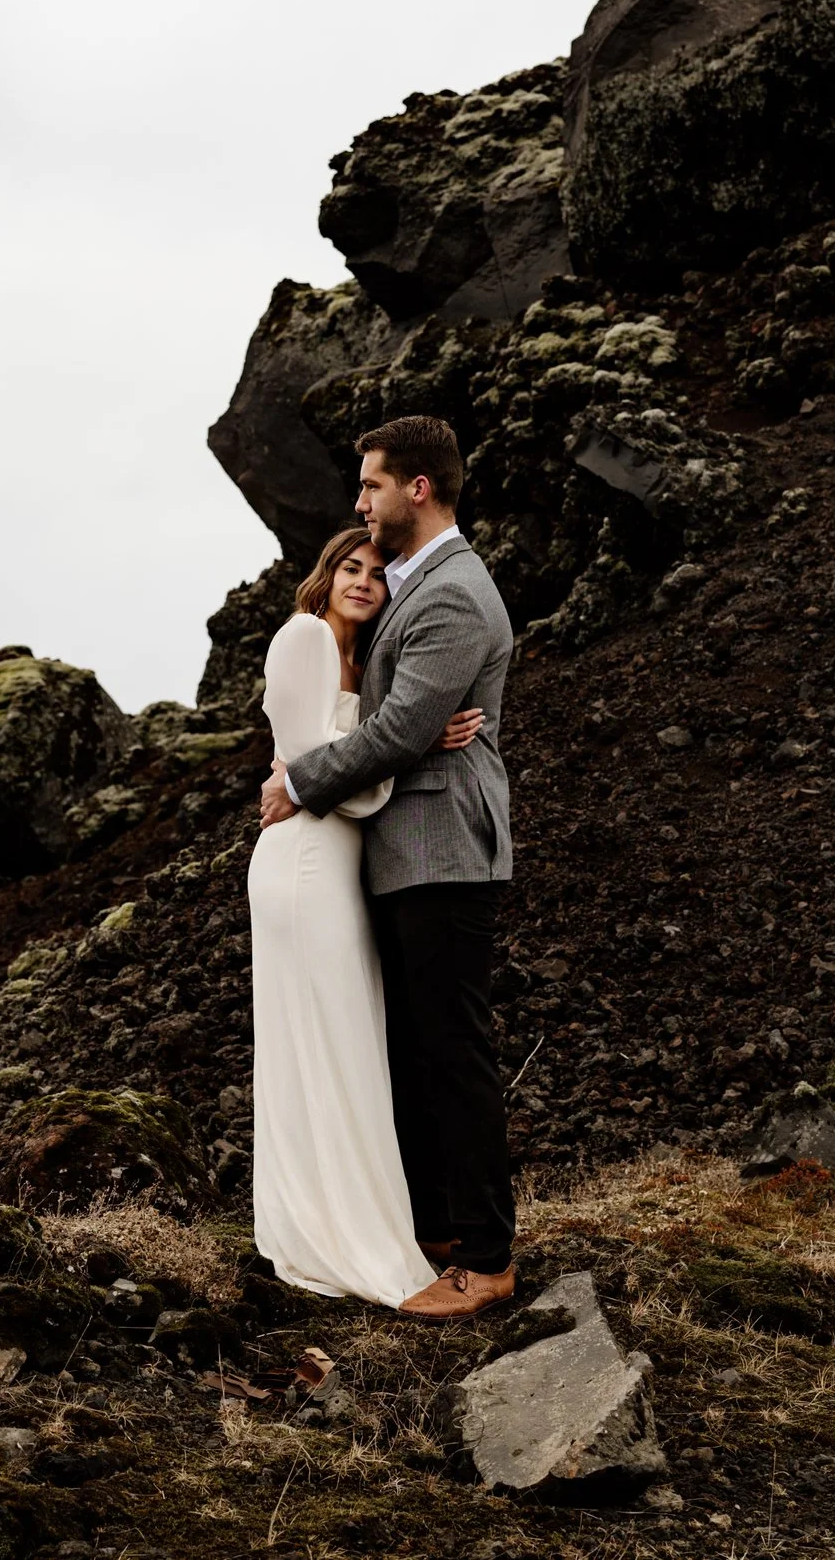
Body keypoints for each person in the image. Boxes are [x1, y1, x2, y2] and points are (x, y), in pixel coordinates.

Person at [260, 416, 518, 1320]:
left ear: (418, 487)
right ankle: (441, 1225)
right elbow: (396, 719)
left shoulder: (452, 591)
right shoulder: (416, 589)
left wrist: (300, 780)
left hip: (442, 845)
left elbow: (405, 731)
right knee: (415, 1046)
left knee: (453, 1050)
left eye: (371, 485)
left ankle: (487, 1258)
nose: (359, 504)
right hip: (403, 848)